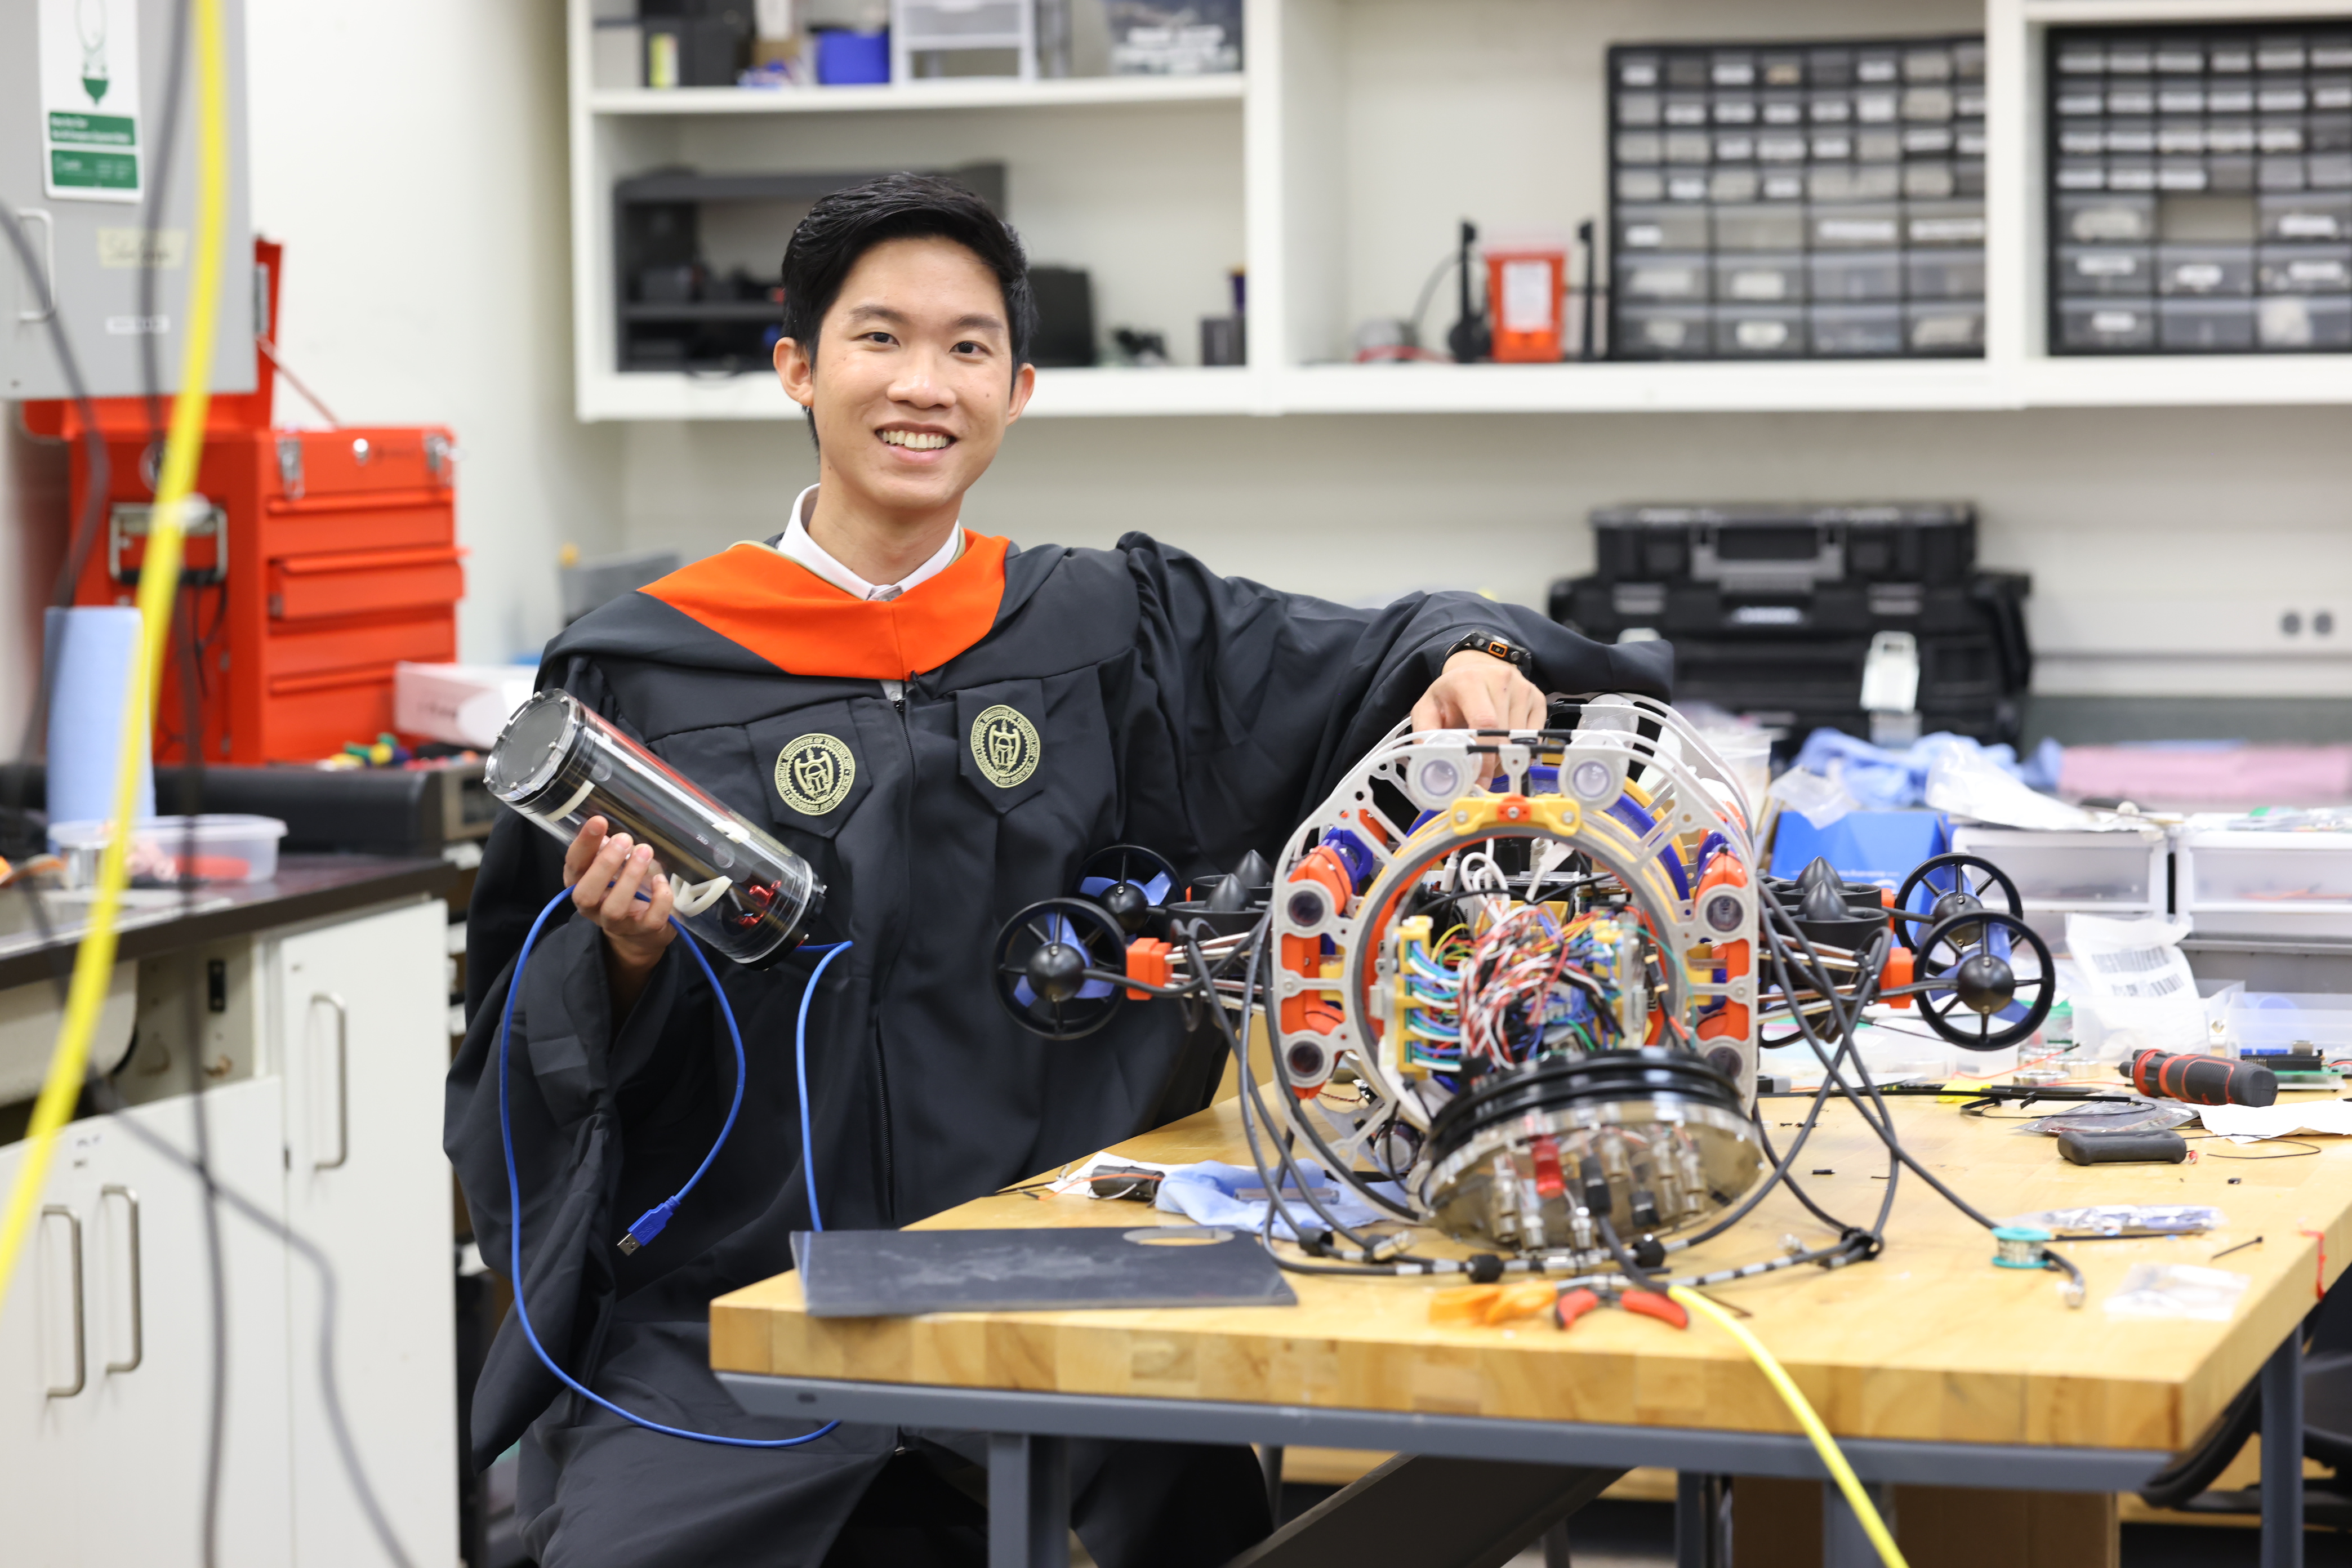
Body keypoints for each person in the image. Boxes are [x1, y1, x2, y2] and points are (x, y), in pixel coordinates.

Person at [447, 172, 1669, 1568]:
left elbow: (1376, 650)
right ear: (798, 368)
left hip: (1072, 1276)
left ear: (1018, 390)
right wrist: (623, 959)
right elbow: (525, 1049)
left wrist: (1474, 659)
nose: (925, 384)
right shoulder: (647, 673)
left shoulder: (1110, 628)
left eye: (968, 348)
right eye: (879, 338)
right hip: (737, 1300)